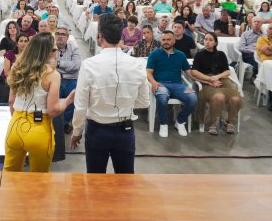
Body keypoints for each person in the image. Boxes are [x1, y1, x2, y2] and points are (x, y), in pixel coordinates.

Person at [70, 14, 151, 174]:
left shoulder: (89, 65)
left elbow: (81, 106)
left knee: (95, 178)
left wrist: (77, 131)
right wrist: (124, 102)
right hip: (125, 130)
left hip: (97, 129)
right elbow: (144, 102)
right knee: (125, 179)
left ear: (99, 36)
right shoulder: (136, 64)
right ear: (120, 35)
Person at [4, 33, 75, 173]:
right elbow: (53, 110)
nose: (56, 52)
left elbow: (11, 101)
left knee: (9, 176)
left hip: (15, 125)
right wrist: (68, 101)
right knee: (39, 181)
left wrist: (17, 116)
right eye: (54, 50)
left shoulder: (17, 68)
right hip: (38, 128)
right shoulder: (53, 75)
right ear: (47, 52)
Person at [146, 30, 197, 138]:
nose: (166, 42)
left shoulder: (181, 55)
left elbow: (189, 73)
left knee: (193, 97)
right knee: (162, 96)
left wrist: (204, 80)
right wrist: (154, 82)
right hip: (161, 85)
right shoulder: (154, 54)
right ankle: (163, 124)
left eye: (168, 39)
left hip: (178, 85)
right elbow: (149, 72)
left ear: (174, 41)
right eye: (163, 40)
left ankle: (180, 121)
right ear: (161, 41)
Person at [191, 33, 242, 135]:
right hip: (206, 81)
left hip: (221, 79)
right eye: (205, 39)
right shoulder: (199, 55)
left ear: (215, 43)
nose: (207, 42)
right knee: (218, 97)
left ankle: (229, 122)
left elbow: (227, 71)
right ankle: (212, 123)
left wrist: (217, 77)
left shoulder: (221, 54)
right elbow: (194, 72)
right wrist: (210, 79)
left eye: (210, 40)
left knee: (236, 98)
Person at [54, 26, 83, 134]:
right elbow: (48, 63)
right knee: (52, 102)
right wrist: (66, 66)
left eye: (63, 34)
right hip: (55, 80)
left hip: (71, 80)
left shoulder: (74, 48)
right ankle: (56, 122)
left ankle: (63, 123)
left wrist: (58, 63)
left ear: (68, 37)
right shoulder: (49, 47)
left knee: (73, 102)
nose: (60, 36)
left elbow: (76, 66)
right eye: (58, 34)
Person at [0, 34, 29, 103]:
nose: (23, 43)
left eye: (26, 41)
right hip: (6, 81)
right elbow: (6, 73)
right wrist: (18, 81)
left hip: (24, 82)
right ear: (17, 44)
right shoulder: (10, 54)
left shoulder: (30, 56)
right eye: (21, 41)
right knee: (6, 96)